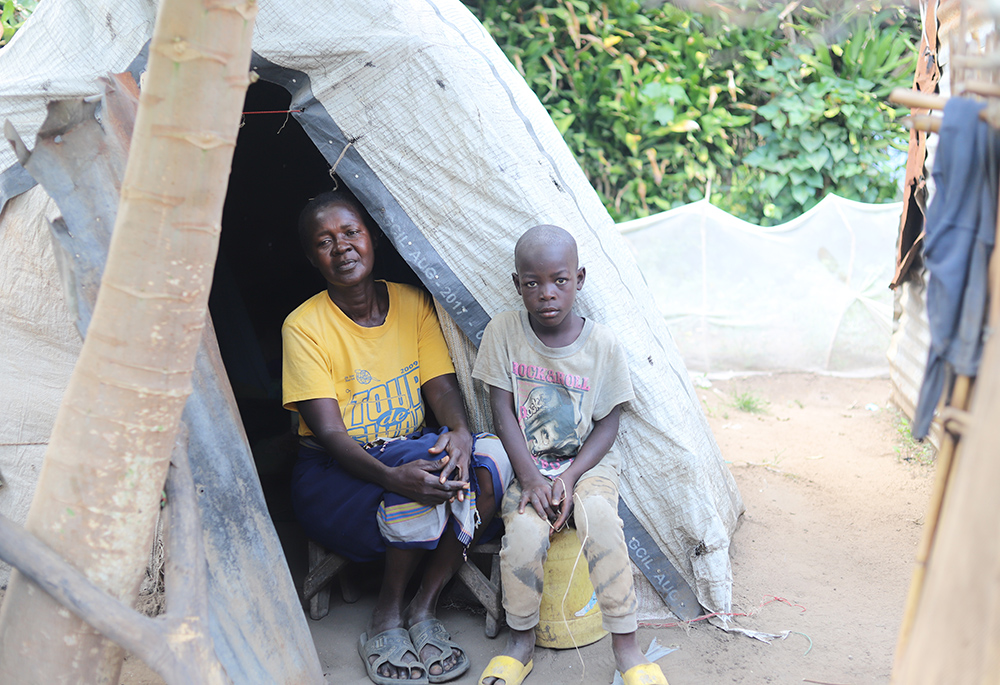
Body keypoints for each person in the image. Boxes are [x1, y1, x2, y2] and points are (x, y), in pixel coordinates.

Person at [282, 189, 513, 685]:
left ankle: (423, 606)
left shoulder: (412, 304)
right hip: (335, 477)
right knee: (424, 471)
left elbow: (441, 387)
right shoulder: (303, 327)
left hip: (410, 456)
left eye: (351, 233)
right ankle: (385, 614)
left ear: (372, 238)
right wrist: (393, 475)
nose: (341, 247)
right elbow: (328, 434)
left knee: (491, 453)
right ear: (311, 257)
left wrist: (459, 431)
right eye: (325, 241)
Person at [471, 225, 668, 685]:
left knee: (600, 518)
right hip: (529, 464)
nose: (546, 294)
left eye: (559, 280)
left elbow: (610, 423)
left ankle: (627, 647)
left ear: (579, 279)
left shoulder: (602, 345)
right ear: (517, 284)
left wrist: (572, 476)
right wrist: (534, 480)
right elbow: (501, 412)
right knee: (521, 531)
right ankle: (520, 643)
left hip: (588, 463)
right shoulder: (503, 332)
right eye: (533, 283)